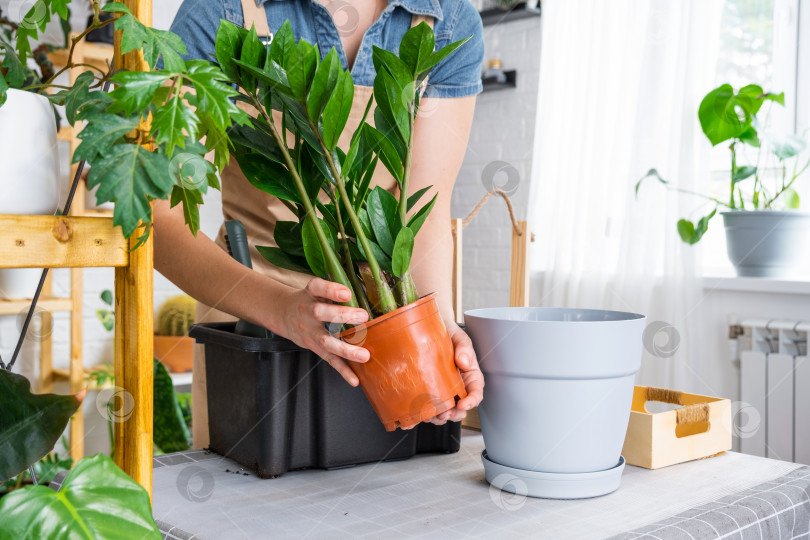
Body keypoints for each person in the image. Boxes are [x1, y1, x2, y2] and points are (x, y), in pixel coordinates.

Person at [155, 0, 485, 448]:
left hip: (386, 342)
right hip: (256, 332)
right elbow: (155, 220)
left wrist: (438, 330)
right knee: (251, 504)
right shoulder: (222, 11)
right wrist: (281, 310)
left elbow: (421, 213)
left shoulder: (447, 20)